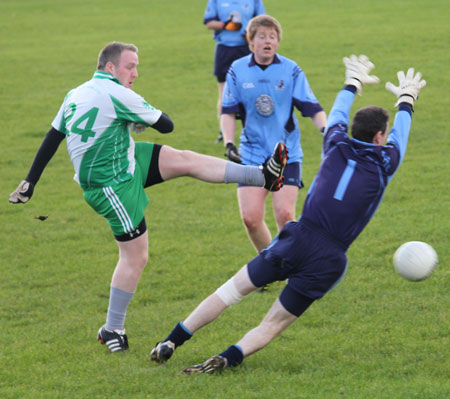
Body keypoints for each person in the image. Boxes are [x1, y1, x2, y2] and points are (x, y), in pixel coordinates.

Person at [149, 55, 426, 374]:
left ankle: (171, 341)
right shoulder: (385, 163)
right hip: (329, 258)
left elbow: (336, 114)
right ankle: (228, 358)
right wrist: (407, 98)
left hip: (296, 237)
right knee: (272, 324)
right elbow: (400, 137)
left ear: (353, 130)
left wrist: (352, 82)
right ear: (380, 137)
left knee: (228, 292)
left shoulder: (334, 143)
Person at [9, 41, 289, 353]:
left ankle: (262, 175)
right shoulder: (119, 94)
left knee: (185, 160)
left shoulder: (76, 93)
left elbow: (53, 136)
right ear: (111, 67)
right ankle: (112, 328)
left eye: (137, 66)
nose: (136, 73)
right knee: (135, 256)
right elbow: (167, 125)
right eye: (130, 66)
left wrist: (29, 181)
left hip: (125, 158)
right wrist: (140, 118)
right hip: (110, 185)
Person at [221, 15, 327, 288]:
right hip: (253, 154)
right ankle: (271, 265)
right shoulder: (237, 70)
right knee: (251, 218)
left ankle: (291, 267)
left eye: (272, 36)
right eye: (262, 36)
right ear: (251, 41)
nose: (268, 41)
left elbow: (311, 107)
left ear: (278, 41)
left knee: (284, 215)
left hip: (285, 153)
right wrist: (229, 143)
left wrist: (328, 132)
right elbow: (228, 112)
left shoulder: (291, 71)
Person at [203, 0, 266, 143]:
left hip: (247, 50)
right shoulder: (216, 1)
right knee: (224, 91)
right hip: (224, 50)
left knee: (252, 90)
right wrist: (226, 24)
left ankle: (255, 130)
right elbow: (208, 23)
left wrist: (250, 34)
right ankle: (223, 132)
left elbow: (262, 22)